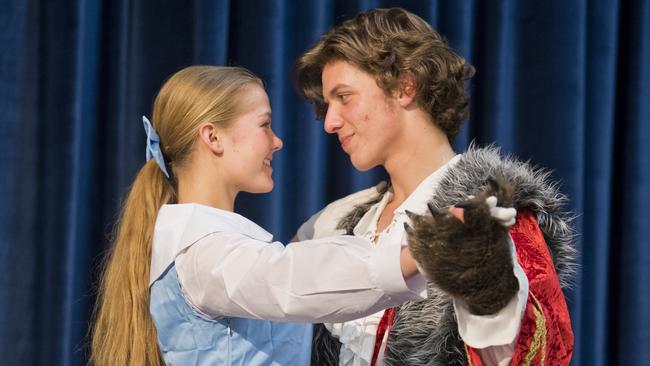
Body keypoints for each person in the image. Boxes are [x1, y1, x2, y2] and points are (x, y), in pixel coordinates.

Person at [89, 65, 440, 366]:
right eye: (264, 125)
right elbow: (292, 280)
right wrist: (424, 253)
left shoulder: (211, 245)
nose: (277, 141)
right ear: (213, 137)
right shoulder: (202, 253)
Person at [293, 7, 576, 366]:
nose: (330, 122)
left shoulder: (491, 215)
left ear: (404, 87)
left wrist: (483, 285)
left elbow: (536, 356)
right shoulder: (331, 223)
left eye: (344, 97)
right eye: (326, 105)